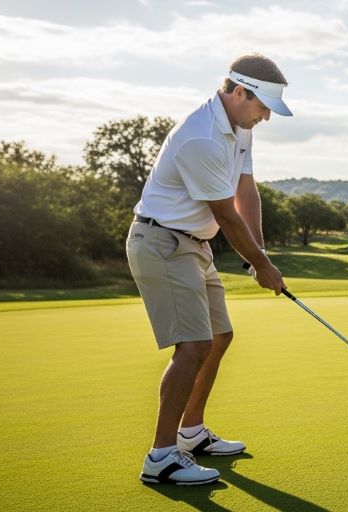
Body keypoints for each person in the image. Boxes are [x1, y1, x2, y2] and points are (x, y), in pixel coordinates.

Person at [127, 53, 291, 485]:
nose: (266, 118)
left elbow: (245, 191)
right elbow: (226, 215)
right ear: (238, 92)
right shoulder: (201, 137)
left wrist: (258, 252)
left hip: (195, 245)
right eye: (263, 107)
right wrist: (263, 266)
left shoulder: (240, 128)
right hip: (162, 242)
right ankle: (161, 457)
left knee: (220, 336)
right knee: (194, 345)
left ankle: (192, 432)